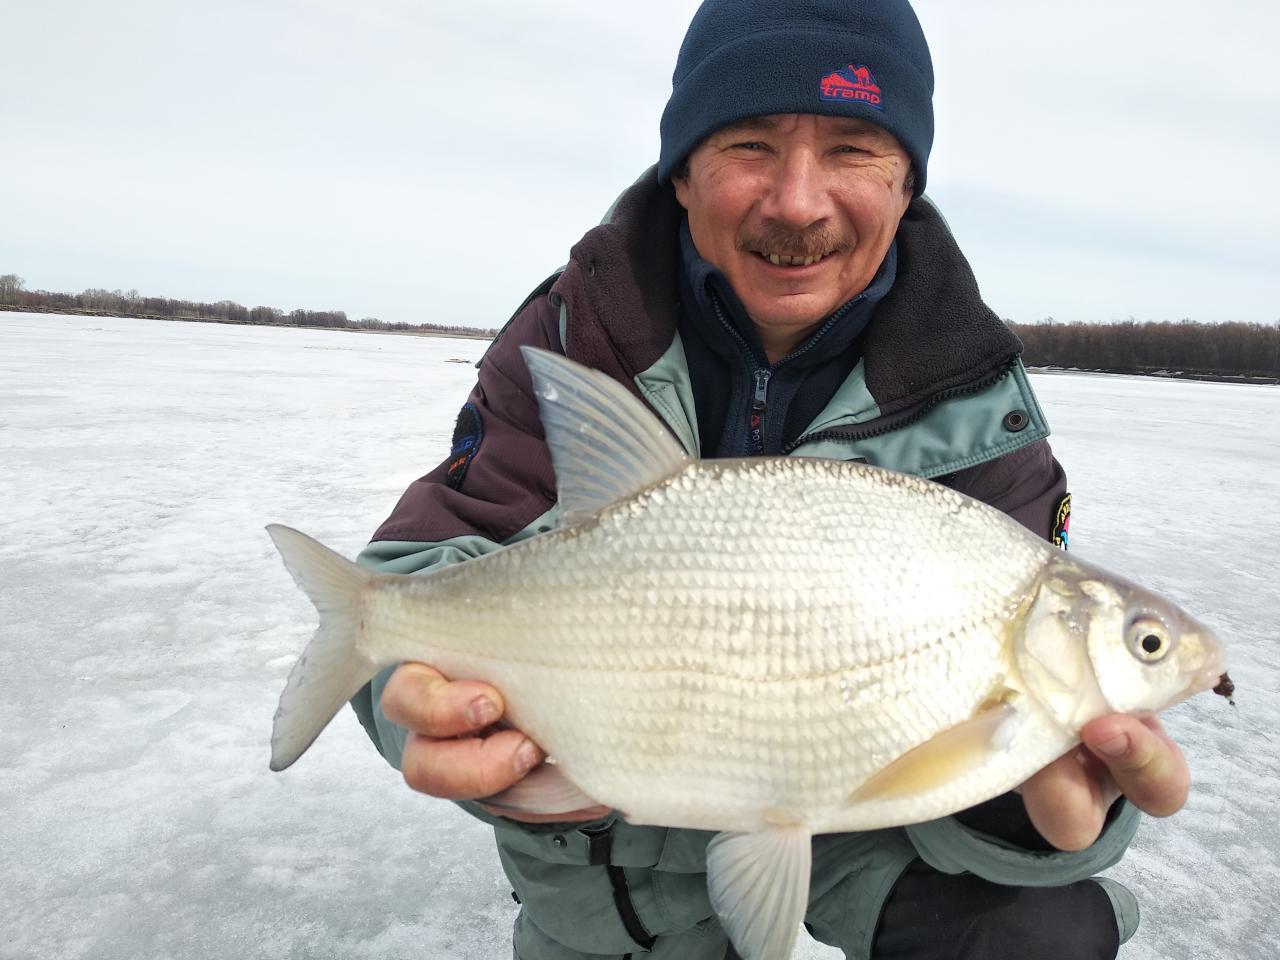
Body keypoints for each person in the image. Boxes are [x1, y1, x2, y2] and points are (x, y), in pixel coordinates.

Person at [350, 1, 1191, 957]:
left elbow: (973, 768)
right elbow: (418, 573)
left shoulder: (975, 404)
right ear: (682, 172)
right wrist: (407, 690)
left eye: (853, 148)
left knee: (1039, 933)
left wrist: (1029, 815)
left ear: (906, 178)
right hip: (600, 860)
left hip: (854, 835)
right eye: (750, 143)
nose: (797, 202)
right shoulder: (577, 338)